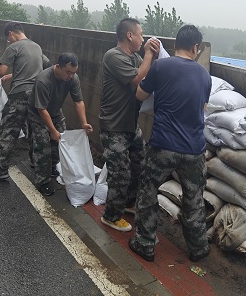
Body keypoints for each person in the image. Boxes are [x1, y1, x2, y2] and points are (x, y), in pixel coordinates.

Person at [129, 24, 211, 263]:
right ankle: (198, 249)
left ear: (175, 44)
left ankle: (145, 244)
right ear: (195, 47)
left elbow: (140, 95)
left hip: (163, 145)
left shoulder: (161, 66)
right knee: (194, 199)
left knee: (148, 191)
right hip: (194, 150)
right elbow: (203, 108)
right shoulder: (204, 75)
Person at [99, 18, 159, 232]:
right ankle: (111, 215)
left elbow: (147, 74)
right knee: (120, 173)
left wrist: (153, 57)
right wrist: (149, 55)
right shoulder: (113, 56)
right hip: (114, 126)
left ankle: (127, 203)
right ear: (130, 35)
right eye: (141, 35)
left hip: (131, 126)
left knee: (139, 165)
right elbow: (137, 79)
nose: (143, 39)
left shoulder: (135, 57)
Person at [0, 22, 44, 180]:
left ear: (11, 33)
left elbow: (1, 70)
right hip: (36, 95)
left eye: (8, 39)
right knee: (35, 132)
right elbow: (35, 69)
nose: (9, 41)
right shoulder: (36, 47)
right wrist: (11, 76)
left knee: (8, 131)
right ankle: (38, 165)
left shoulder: (14, 47)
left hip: (20, 95)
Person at [27, 53, 93, 196]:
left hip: (56, 112)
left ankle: (51, 166)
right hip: (38, 113)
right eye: (68, 72)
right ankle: (42, 181)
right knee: (43, 145)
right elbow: (42, 109)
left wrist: (84, 123)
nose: (71, 76)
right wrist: (52, 130)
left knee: (61, 141)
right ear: (58, 66)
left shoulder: (73, 78)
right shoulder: (44, 80)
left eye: (73, 72)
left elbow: (78, 102)